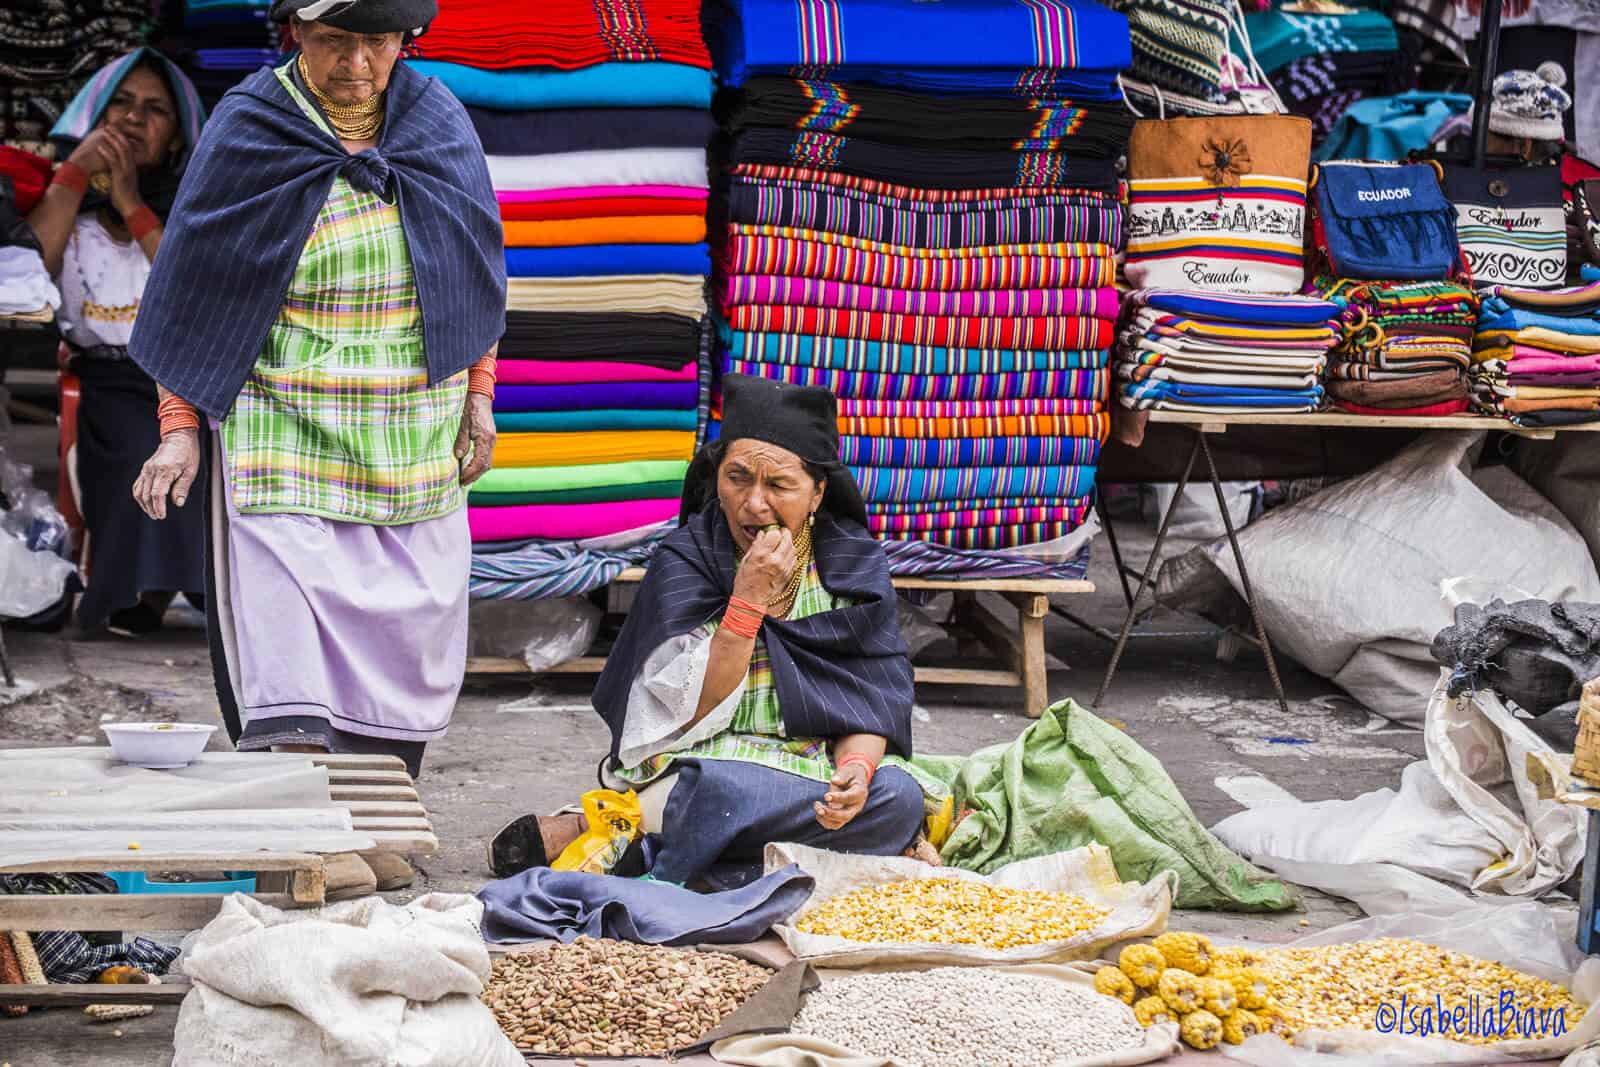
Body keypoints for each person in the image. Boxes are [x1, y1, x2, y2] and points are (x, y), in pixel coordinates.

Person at [126, 0, 506, 892]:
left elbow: (473, 269)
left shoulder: (436, 120)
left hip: (413, 426)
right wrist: (180, 430)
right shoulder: (251, 125)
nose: (359, 63)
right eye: (337, 40)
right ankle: (302, 837)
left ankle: (372, 826)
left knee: (399, 636)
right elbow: (196, 285)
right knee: (289, 644)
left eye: (378, 42)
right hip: (280, 424)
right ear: (296, 32)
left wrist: (480, 400)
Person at [490, 374, 929, 890]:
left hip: (813, 768)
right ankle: (718, 846)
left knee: (898, 797)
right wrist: (747, 602)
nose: (754, 504)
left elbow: (869, 699)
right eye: (737, 478)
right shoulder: (688, 560)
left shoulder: (854, 566)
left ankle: (633, 837)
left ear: (817, 494)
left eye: (779, 485)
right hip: (707, 760)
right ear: (715, 477)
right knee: (717, 793)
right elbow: (686, 710)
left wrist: (857, 769)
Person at [27, 49, 208, 636]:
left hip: (181, 377)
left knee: (192, 447)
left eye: (155, 110)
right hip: (106, 380)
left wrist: (131, 203)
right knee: (131, 447)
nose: (134, 119)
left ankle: (185, 589)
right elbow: (32, 270)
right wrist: (76, 172)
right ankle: (133, 590)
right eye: (121, 104)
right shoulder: (65, 205)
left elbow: (188, 285)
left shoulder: (194, 208)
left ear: (178, 138)